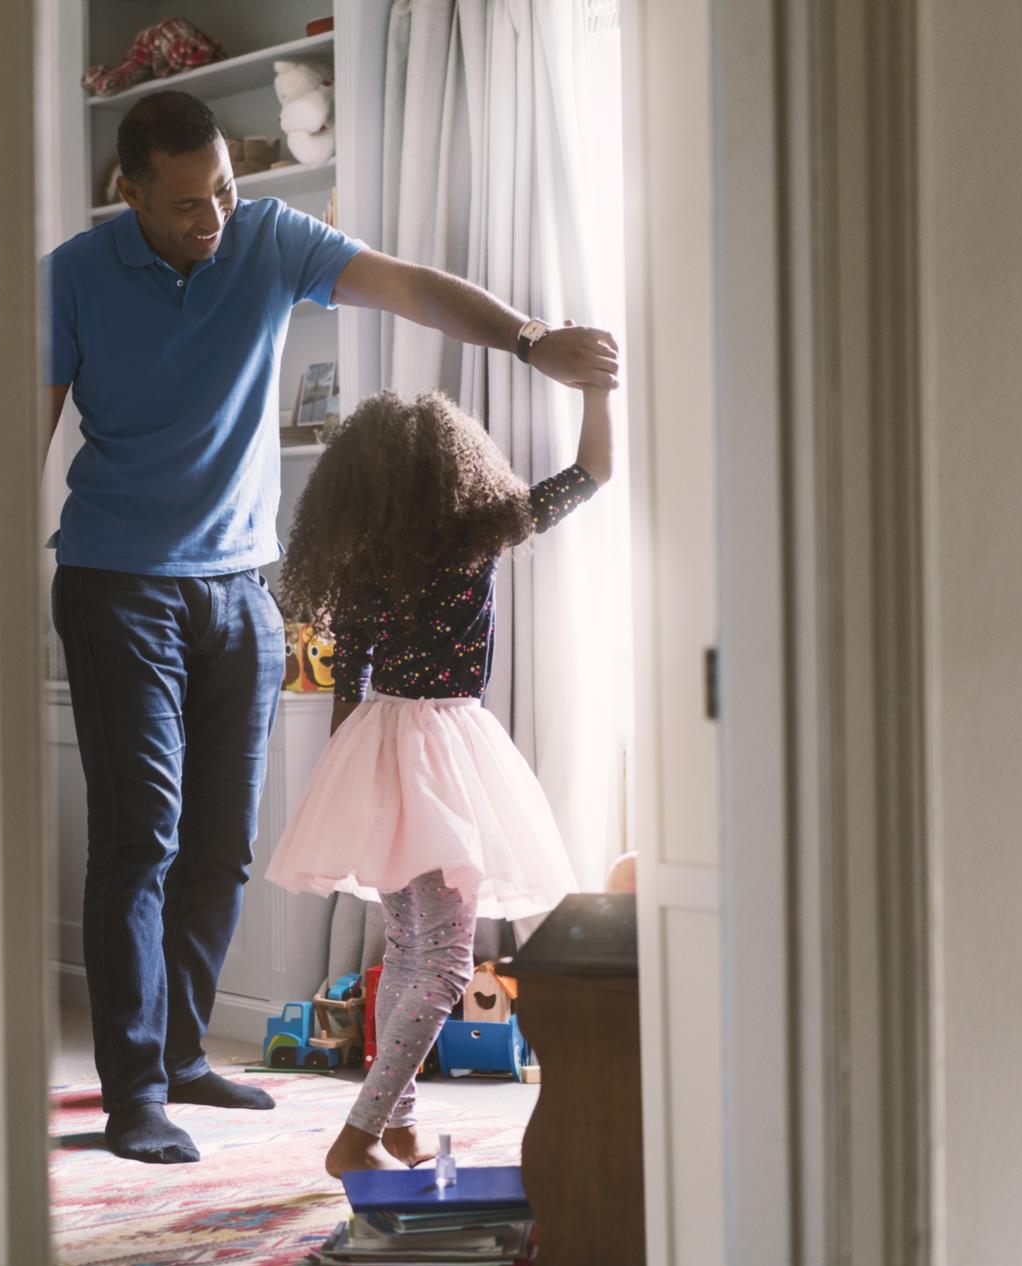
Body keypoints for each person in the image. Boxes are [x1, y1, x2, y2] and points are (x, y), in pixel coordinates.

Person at [42, 89, 618, 1165]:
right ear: (128, 193)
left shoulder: (267, 238)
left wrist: (531, 340)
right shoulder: (73, 276)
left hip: (241, 585)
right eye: (184, 205)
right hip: (117, 581)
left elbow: (407, 288)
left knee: (219, 841)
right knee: (142, 837)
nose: (213, 218)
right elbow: (19, 431)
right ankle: (133, 1091)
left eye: (222, 190)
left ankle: (180, 1053)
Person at [264, 385, 616, 1178]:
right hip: (442, 749)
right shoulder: (479, 533)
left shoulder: (359, 558)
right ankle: (356, 1135)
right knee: (448, 964)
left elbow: (346, 685)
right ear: (459, 464)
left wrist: (347, 783)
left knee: (406, 946)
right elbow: (593, 471)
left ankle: (398, 1125)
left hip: (375, 746)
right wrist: (597, 391)